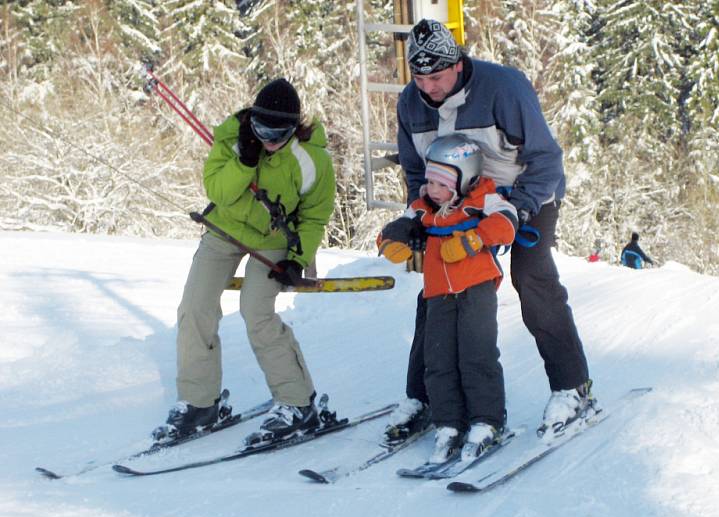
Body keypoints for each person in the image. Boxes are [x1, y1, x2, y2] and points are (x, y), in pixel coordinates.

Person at [384, 18, 598, 443]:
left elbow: (546, 160)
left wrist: (516, 211)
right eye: (420, 78)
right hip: (457, 201)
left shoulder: (504, 88)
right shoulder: (411, 103)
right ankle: (424, 397)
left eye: (437, 76)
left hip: (525, 193)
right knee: (438, 288)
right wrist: (418, 213)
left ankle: (571, 388)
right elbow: (414, 170)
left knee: (532, 278)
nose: (428, 87)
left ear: (458, 64)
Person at [153, 78, 336, 444]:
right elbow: (217, 191)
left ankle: (297, 403)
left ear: (294, 128)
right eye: (262, 129)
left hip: (273, 239)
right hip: (225, 230)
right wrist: (245, 160)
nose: (269, 139)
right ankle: (199, 402)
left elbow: (314, 216)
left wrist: (297, 259)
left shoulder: (311, 160)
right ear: (252, 119)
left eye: (279, 132)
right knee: (194, 308)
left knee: (256, 312)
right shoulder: (232, 140)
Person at [377, 134, 517, 462]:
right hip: (438, 291)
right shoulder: (425, 208)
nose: (432, 189)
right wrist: (392, 238)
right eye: (429, 181)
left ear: (464, 180)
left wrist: (473, 239)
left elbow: (507, 223)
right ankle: (448, 423)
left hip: (476, 287)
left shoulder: (484, 199)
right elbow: (396, 228)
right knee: (438, 361)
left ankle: (486, 420)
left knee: (476, 356)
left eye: (441, 183)